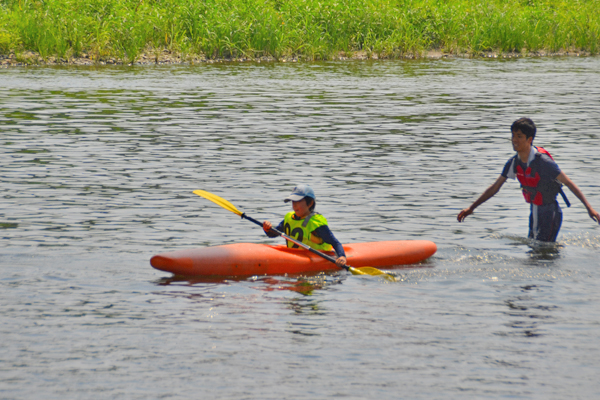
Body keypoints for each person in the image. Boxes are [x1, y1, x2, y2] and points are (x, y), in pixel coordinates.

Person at [457, 117, 600, 242]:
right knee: (534, 249)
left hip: (550, 213)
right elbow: (495, 188)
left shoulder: (543, 162)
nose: (514, 140)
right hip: (535, 211)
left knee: (541, 252)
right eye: (513, 135)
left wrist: (590, 209)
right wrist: (471, 208)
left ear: (529, 139)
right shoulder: (514, 162)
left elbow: (568, 183)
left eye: (519, 136)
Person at [263, 184, 347, 267]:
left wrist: (342, 257)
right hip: (293, 256)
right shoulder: (289, 218)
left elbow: (335, 243)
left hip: (316, 258)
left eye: (298, 201)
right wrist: (267, 228)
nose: (294, 205)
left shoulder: (315, 223)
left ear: (310, 203)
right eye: (293, 201)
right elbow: (272, 234)